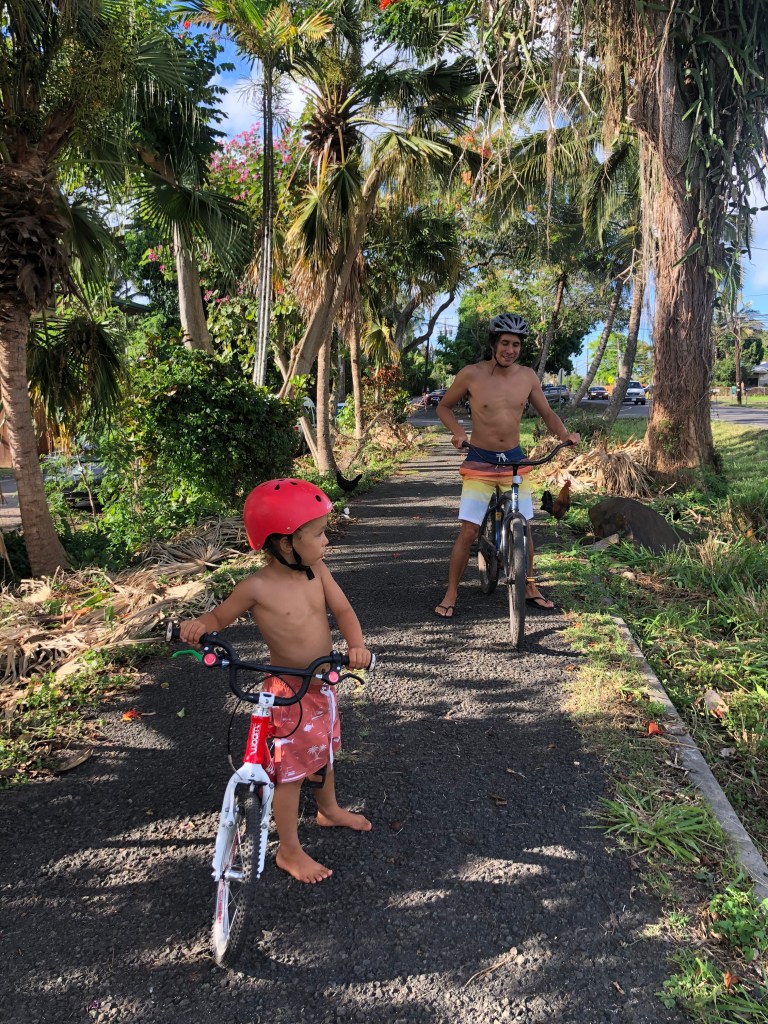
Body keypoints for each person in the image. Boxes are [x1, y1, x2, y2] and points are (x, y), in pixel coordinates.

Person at [180, 478, 372, 884]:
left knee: (323, 751)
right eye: (317, 534)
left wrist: (356, 646)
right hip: (288, 693)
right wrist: (200, 627)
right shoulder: (256, 587)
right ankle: (289, 849)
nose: (325, 541)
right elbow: (218, 617)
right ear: (286, 543)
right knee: (291, 773)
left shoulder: (317, 571)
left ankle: (328, 809)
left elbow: (343, 610)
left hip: (322, 685)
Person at [433, 312, 580, 618]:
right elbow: (444, 406)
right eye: (505, 343)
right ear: (493, 343)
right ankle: (451, 592)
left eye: (516, 344)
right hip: (480, 460)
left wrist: (564, 435)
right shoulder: (471, 374)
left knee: (524, 527)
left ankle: (529, 587)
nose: (510, 350)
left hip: (514, 460)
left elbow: (547, 413)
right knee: (469, 531)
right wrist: (458, 433)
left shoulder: (527, 377)